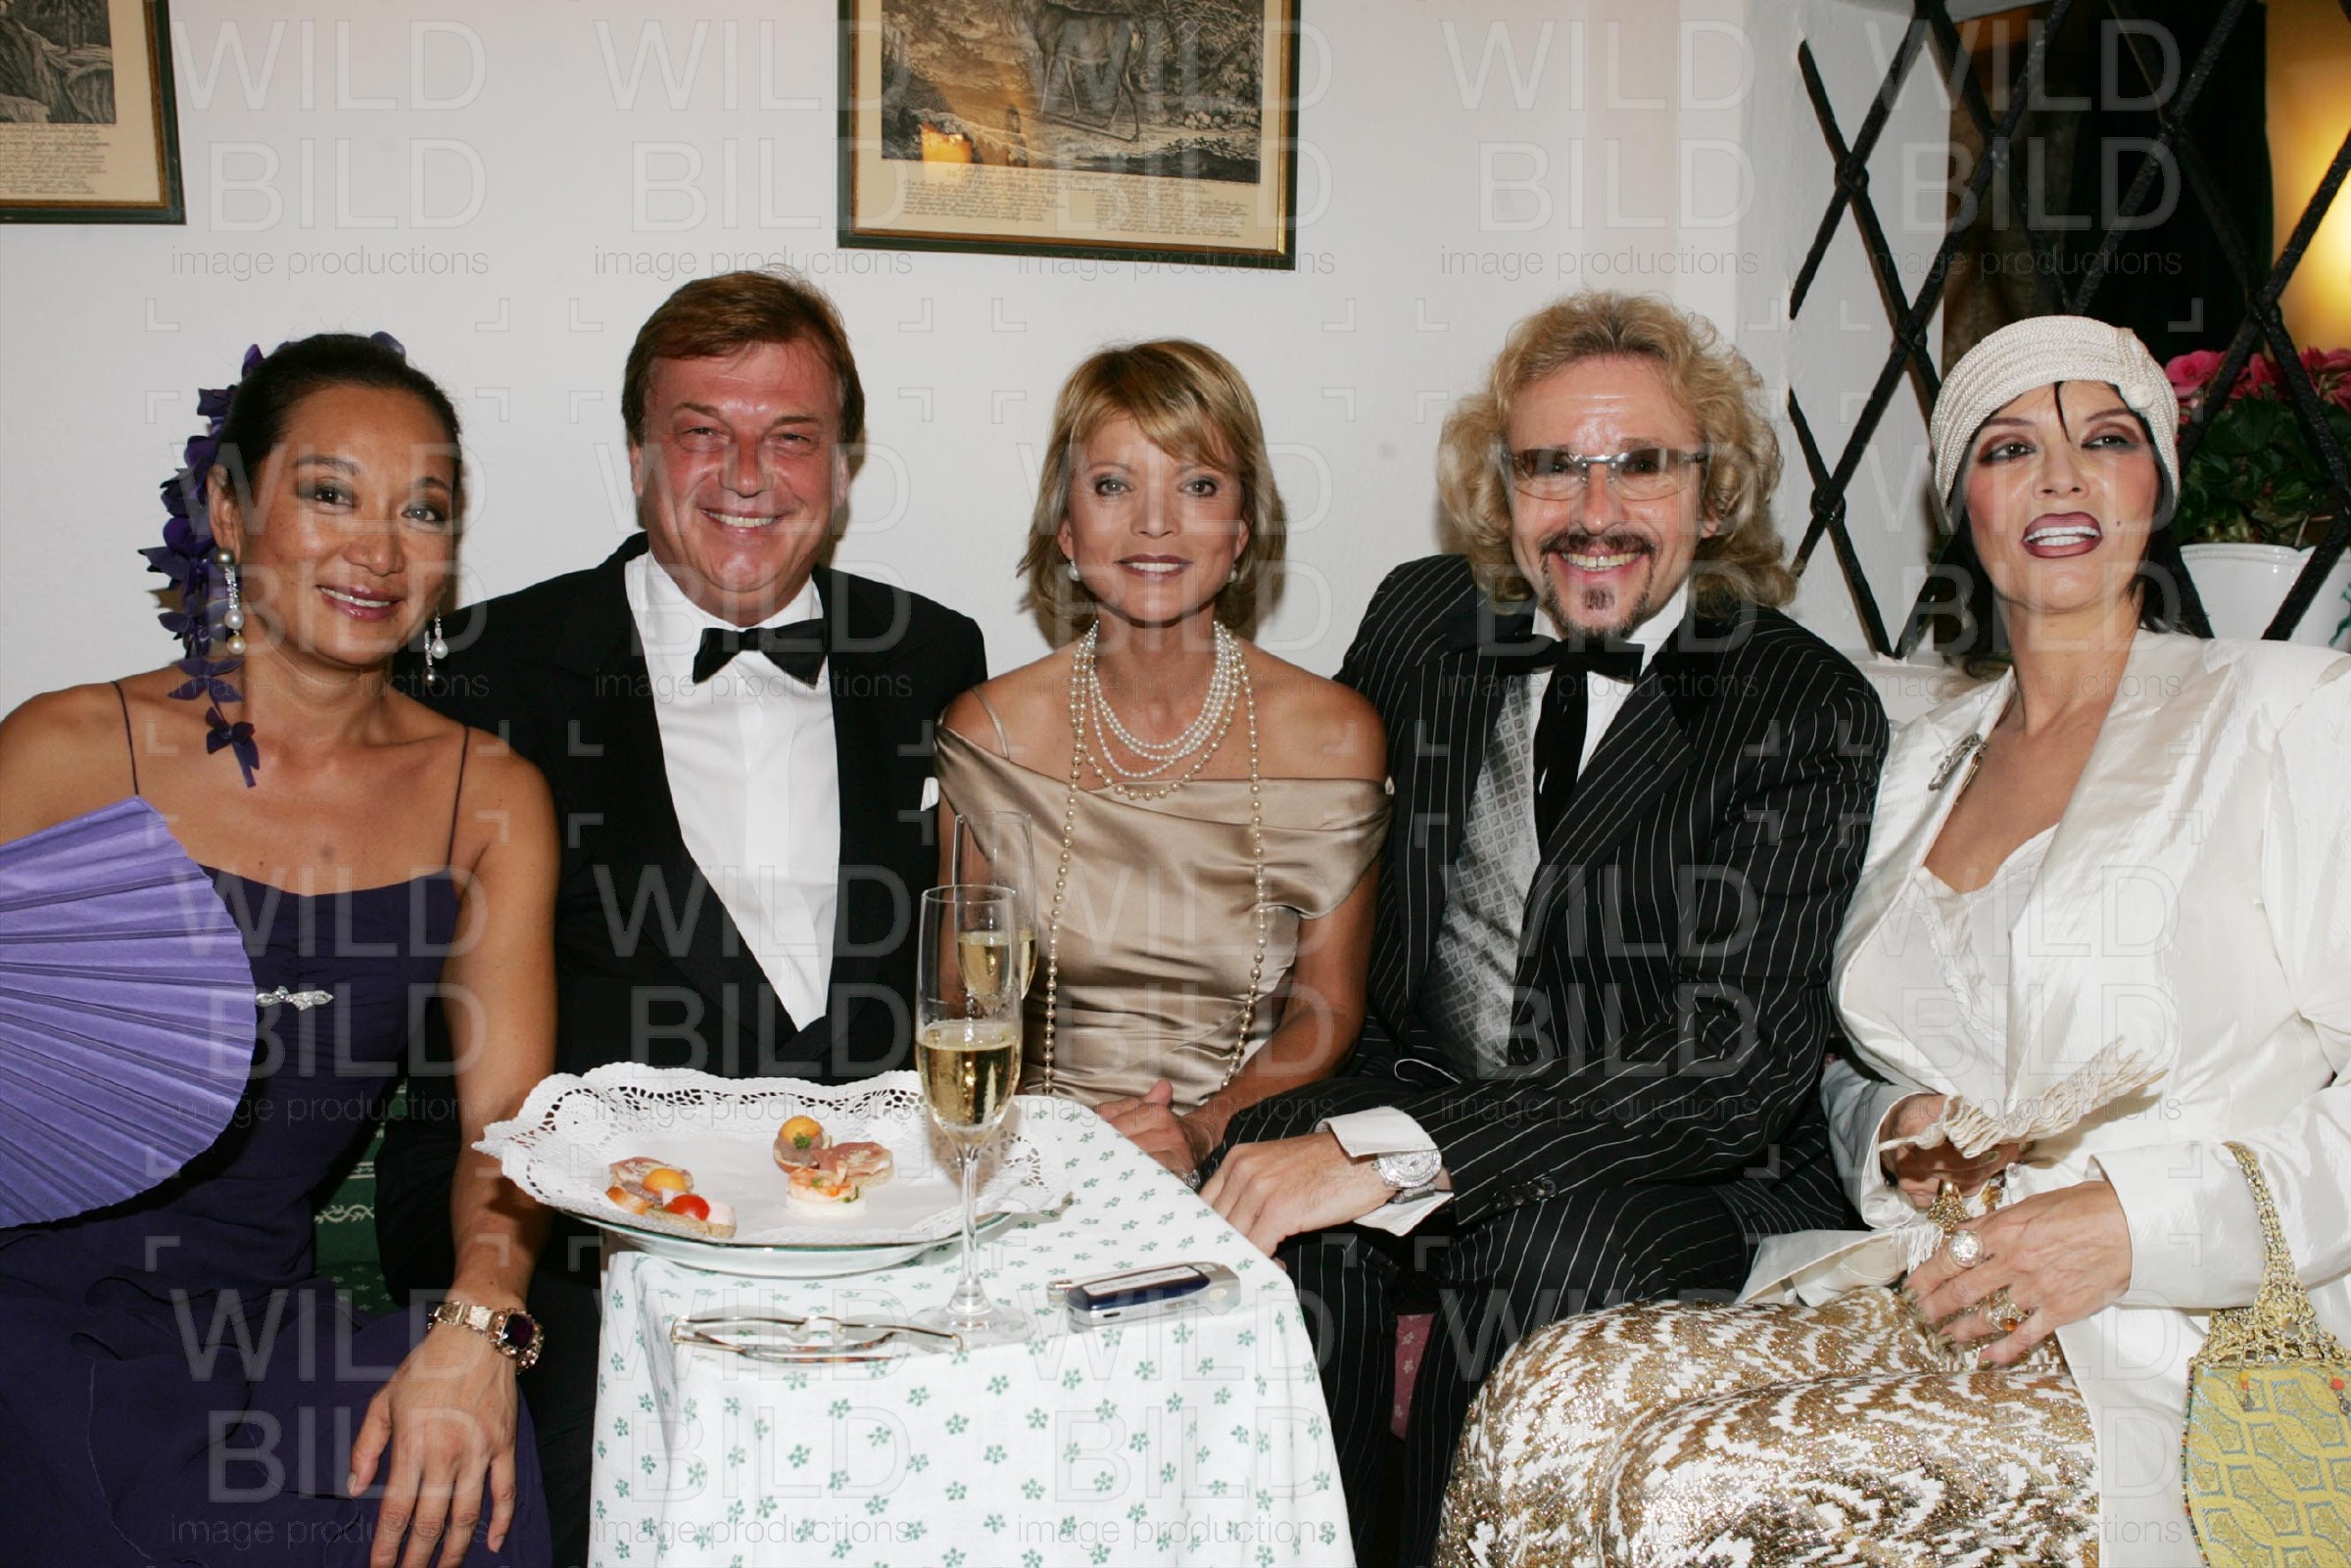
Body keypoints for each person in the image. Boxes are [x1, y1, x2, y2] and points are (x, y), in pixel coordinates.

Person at [1438, 314, 2351, 1568]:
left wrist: (2134, 1223)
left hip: (2180, 1335)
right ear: (1963, 502)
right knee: (1550, 1399)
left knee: (1687, 1487)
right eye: (2010, 448)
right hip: (1932, 1284)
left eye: (2106, 439)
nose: (2062, 478)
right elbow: (1836, 1058)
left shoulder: (2285, 710)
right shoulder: (1922, 755)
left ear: (2160, 481)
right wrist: (1895, 1126)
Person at [1204, 291, 1890, 1563]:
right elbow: (1311, 857)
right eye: (1550, 467)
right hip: (1435, 1073)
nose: (1592, 510)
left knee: (1546, 1246)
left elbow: (1728, 1068)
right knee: (1265, 1160)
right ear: (1502, 491)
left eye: (1642, 465)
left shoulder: (1801, 706)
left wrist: (1403, 1154)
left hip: (1682, 1159)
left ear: (1716, 495)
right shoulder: (1424, 619)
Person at [373, 269, 987, 1567]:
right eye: (703, 432)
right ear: (639, 455)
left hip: (885, 1267)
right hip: (593, 1277)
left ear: (843, 463)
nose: (747, 475)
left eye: (791, 436)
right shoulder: (487, 669)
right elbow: (447, 1090)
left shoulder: (935, 657)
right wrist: (492, 1296)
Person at [0, 333, 555, 1565]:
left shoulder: (490, 799)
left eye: (423, 508)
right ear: (227, 508)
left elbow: (509, 1130)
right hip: (33, 1306)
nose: (380, 549)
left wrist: (482, 1319)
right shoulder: (59, 752)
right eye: (330, 493)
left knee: (471, 1486)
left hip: (261, 1323)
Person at [933, 339, 1388, 1176]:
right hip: (1030, 1164)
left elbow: (1326, 1011)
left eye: (1198, 485)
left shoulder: (1334, 737)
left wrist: (1203, 1130)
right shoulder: (990, 733)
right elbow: (962, 1001)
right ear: (1065, 526)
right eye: (1113, 485)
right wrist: (1044, 1156)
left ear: (1242, 526)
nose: (1154, 521)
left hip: (1243, 1163)